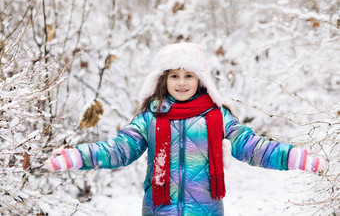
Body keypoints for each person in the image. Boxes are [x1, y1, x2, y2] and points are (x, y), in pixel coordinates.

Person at [45, 42, 326, 215]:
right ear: (163, 80)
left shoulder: (216, 116)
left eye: (188, 75)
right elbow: (118, 150)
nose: (181, 82)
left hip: (206, 211)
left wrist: (293, 156)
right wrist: (77, 155)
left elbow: (250, 146)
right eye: (174, 76)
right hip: (158, 210)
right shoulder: (150, 117)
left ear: (200, 79)